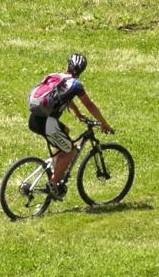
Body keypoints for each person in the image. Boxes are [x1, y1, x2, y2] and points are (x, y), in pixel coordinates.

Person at [27, 52, 113, 198]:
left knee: (65, 131)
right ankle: (53, 184)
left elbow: (65, 97)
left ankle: (57, 168)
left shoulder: (57, 77)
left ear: (67, 65)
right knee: (70, 151)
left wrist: (77, 113)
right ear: (82, 70)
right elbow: (90, 105)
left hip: (35, 118)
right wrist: (104, 124)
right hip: (48, 123)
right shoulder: (76, 85)